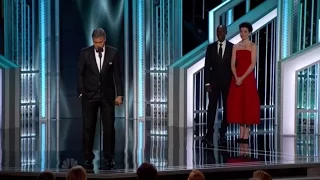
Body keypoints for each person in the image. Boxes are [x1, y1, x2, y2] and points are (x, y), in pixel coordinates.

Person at [77, 28, 123, 170]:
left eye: (100, 42)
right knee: (88, 127)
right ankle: (88, 158)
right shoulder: (85, 53)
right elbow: (80, 74)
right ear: (93, 41)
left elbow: (117, 74)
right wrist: (81, 92)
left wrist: (119, 94)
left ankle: (109, 157)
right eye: (96, 42)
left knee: (109, 127)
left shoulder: (113, 53)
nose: (98, 45)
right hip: (89, 95)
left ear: (105, 40)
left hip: (107, 96)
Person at [227, 22, 260, 143]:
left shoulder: (253, 46)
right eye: (241, 31)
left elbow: (252, 64)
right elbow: (232, 64)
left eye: (245, 31)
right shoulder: (235, 46)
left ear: (250, 33)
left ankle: (246, 134)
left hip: (248, 78)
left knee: (248, 103)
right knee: (239, 104)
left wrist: (242, 77)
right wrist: (236, 77)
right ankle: (241, 134)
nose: (242, 34)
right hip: (237, 78)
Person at [203, 25, 234, 146]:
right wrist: (207, 83)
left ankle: (223, 132)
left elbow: (234, 65)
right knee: (211, 108)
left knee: (227, 108)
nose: (220, 33)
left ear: (226, 32)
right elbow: (207, 66)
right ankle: (209, 133)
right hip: (213, 83)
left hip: (227, 83)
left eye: (222, 31)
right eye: (218, 31)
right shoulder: (210, 48)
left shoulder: (232, 47)